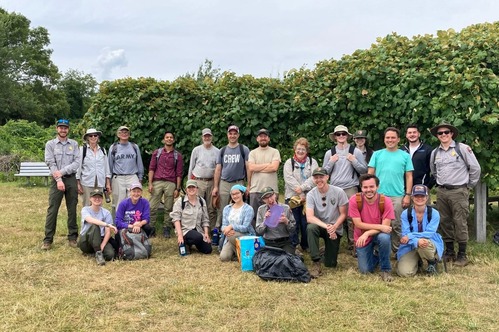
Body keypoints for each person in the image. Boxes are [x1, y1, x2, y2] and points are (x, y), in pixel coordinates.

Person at [430, 122, 481, 266]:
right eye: (440, 133)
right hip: (442, 191)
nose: (443, 135)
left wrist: (468, 186)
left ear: (452, 134)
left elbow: (475, 169)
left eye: (446, 132)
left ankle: (462, 254)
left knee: (460, 221)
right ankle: (450, 251)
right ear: (437, 136)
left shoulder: (462, 149)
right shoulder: (435, 153)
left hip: (459, 190)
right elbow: (434, 171)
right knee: (445, 221)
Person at [323, 125, 367, 255]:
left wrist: (354, 161)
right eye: (338, 134)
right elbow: (324, 173)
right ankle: (332, 242)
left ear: (347, 136)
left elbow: (364, 170)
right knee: (333, 215)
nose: (341, 136)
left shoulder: (355, 151)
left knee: (352, 217)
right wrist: (331, 162)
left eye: (343, 134)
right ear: (335, 137)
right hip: (334, 188)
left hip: (351, 187)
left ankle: (354, 243)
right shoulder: (330, 153)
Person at [368, 127, 414, 255]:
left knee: (396, 223)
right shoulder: (377, 154)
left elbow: (409, 176)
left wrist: (408, 195)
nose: (390, 140)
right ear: (384, 139)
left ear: (398, 139)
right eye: (387, 137)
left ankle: (398, 249)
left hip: (397, 195)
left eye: (393, 137)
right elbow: (370, 174)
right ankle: (379, 248)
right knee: (377, 222)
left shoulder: (405, 156)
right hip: (379, 195)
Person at [41, 119, 80, 250]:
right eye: (61, 128)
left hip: (70, 179)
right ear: (57, 129)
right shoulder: (50, 144)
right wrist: (58, 180)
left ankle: (73, 237)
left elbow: (76, 163)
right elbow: (50, 162)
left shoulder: (74, 144)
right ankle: (48, 240)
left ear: (68, 129)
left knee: (72, 208)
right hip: (55, 180)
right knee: (52, 209)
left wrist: (61, 173)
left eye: (65, 128)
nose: (63, 130)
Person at [348, 174, 395, 282]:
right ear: (361, 187)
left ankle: (385, 269)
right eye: (365, 187)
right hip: (361, 237)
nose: (368, 190)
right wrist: (379, 227)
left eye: (372, 187)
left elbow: (386, 226)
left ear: (377, 187)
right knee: (365, 270)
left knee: (384, 238)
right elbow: (358, 224)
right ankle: (377, 256)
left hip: (375, 234)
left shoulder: (385, 201)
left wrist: (367, 233)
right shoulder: (354, 200)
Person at [305, 167, 348, 278]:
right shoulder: (310, 194)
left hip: (335, 227)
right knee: (310, 228)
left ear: (327, 177)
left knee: (330, 264)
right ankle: (316, 262)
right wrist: (327, 226)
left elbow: (343, 214)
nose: (319, 180)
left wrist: (334, 227)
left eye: (321, 177)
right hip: (321, 226)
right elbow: (309, 217)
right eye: (316, 177)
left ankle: (325, 251)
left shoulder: (339, 192)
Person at [397, 185, 444, 277]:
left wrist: (410, 236)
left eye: (422, 196)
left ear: (427, 197)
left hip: (429, 242)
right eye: (416, 196)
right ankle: (418, 262)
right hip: (410, 246)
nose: (419, 198)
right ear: (412, 197)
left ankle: (432, 262)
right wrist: (416, 241)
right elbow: (405, 233)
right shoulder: (405, 214)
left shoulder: (434, 213)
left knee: (424, 243)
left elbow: (429, 233)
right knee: (405, 273)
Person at [283, 137, 318, 254]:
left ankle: (306, 245)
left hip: (309, 198)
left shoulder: (313, 162)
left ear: (307, 150)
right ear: (295, 149)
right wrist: (300, 192)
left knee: (306, 222)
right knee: (294, 222)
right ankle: (294, 245)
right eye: (298, 149)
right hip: (292, 197)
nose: (300, 151)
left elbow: (314, 178)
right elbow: (288, 179)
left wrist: (302, 189)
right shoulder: (289, 162)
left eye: (303, 149)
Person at [212, 125, 250, 229]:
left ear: (238, 135)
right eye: (230, 133)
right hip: (224, 182)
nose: (232, 136)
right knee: (222, 208)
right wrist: (216, 186)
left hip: (238, 182)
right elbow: (218, 169)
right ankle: (219, 229)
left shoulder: (244, 149)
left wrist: (249, 185)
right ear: (227, 135)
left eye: (235, 134)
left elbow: (248, 167)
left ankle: (240, 228)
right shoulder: (222, 150)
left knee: (240, 206)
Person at [148, 131, 183, 238]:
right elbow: (151, 168)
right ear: (164, 139)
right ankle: (151, 228)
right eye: (167, 137)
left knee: (169, 207)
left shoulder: (178, 156)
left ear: (173, 140)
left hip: (170, 183)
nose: (169, 139)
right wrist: (150, 183)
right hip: (157, 181)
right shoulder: (157, 153)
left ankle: (166, 228)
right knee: (152, 207)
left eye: (171, 137)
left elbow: (179, 173)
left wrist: (177, 188)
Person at [108, 126, 144, 218]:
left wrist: (140, 178)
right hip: (118, 177)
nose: (124, 134)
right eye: (122, 132)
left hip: (132, 176)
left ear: (129, 134)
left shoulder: (134, 147)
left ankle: (133, 223)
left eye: (126, 132)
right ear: (118, 134)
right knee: (119, 202)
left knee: (134, 200)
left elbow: (139, 163)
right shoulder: (113, 147)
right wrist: (109, 181)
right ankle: (120, 226)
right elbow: (110, 165)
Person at [247, 128, 281, 225]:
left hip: (272, 191)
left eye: (265, 136)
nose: (263, 138)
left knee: (273, 218)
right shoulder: (253, 153)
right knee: (254, 218)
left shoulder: (275, 152)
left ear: (268, 138)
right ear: (257, 139)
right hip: (255, 190)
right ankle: (255, 239)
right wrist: (268, 164)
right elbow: (251, 167)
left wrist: (258, 167)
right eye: (260, 136)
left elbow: (274, 167)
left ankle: (271, 239)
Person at [188, 128, 219, 229]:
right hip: (198, 181)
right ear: (202, 137)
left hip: (211, 182)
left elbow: (218, 170)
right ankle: (197, 229)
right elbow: (191, 167)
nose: (207, 138)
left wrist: (216, 185)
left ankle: (213, 230)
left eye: (209, 136)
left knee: (211, 207)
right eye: (205, 136)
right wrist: (189, 183)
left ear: (212, 137)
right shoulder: (196, 150)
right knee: (197, 205)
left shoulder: (217, 151)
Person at [170, 180, 212, 254]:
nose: (191, 189)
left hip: (198, 230)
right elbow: (176, 219)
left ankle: (194, 243)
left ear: (197, 189)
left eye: (193, 187)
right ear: (186, 190)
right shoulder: (180, 201)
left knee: (208, 250)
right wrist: (180, 235)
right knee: (197, 237)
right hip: (185, 231)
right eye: (189, 187)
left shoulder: (202, 201)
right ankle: (185, 243)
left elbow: (205, 219)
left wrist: (206, 233)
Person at [77, 189, 118, 265]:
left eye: (99, 197)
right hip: (86, 240)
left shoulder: (106, 212)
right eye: (94, 197)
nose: (97, 199)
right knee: (95, 226)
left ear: (102, 199)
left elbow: (107, 232)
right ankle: (98, 255)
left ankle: (96, 252)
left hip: (100, 239)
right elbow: (90, 220)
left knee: (110, 255)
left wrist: (102, 245)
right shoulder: (85, 209)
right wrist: (107, 224)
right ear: (90, 199)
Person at [219, 184, 255, 262]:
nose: (235, 196)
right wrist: (226, 230)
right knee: (224, 258)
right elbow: (223, 225)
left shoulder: (248, 209)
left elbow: (245, 227)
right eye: (233, 194)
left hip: (244, 236)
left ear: (242, 193)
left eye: (237, 193)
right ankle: (238, 253)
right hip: (230, 236)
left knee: (231, 236)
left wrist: (231, 226)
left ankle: (243, 253)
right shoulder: (227, 208)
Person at [255, 187, 296, 254]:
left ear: (275, 195)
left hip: (284, 241)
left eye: (271, 196)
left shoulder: (285, 208)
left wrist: (286, 221)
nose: (269, 199)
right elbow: (259, 231)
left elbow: (293, 229)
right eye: (266, 198)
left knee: (287, 260)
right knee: (267, 261)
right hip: (269, 242)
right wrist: (265, 221)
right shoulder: (261, 209)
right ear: (263, 200)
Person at [77, 128, 111, 207]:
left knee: (99, 204)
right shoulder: (82, 150)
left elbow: (106, 167)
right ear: (87, 138)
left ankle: (97, 220)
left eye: (95, 135)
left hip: (100, 182)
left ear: (98, 137)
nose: (93, 137)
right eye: (90, 135)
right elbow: (78, 168)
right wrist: (78, 184)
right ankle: (86, 220)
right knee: (87, 204)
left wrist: (108, 183)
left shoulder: (102, 150)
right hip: (86, 182)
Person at [115, 182, 154, 248]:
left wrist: (139, 224)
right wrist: (132, 226)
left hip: (139, 227)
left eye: (138, 191)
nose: (136, 194)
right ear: (130, 191)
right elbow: (118, 222)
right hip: (126, 227)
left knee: (148, 227)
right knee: (117, 236)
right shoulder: (123, 204)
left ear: (141, 192)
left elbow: (146, 219)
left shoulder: (145, 202)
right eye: (134, 191)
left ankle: (143, 243)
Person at [400, 124, 435, 189]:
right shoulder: (401, 150)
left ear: (419, 134)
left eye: (414, 132)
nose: (412, 134)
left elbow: (434, 169)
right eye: (409, 133)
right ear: (406, 135)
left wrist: (428, 186)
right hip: (403, 189)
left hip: (421, 188)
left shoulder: (427, 149)